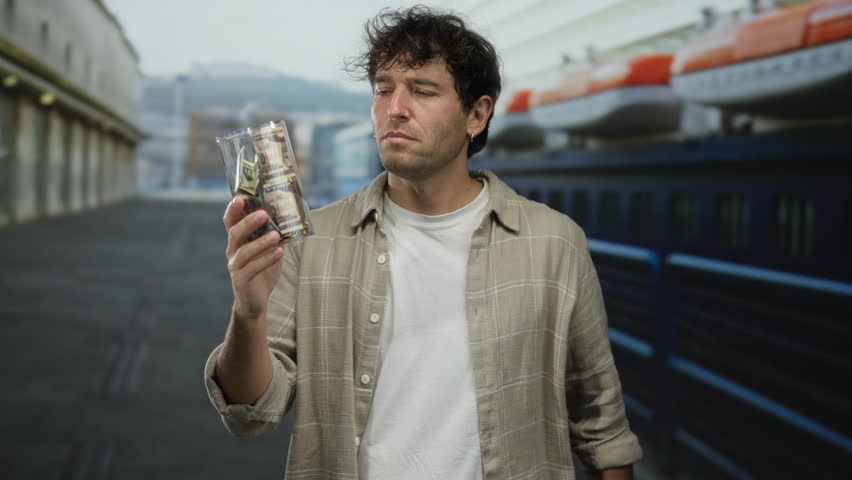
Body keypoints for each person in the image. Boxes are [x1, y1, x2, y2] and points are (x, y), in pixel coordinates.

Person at [205, 6, 642, 480]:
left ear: (477, 113)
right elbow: (252, 414)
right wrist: (247, 315)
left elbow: (603, 432)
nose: (395, 108)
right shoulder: (315, 241)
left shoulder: (553, 242)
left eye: (423, 90)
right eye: (383, 90)